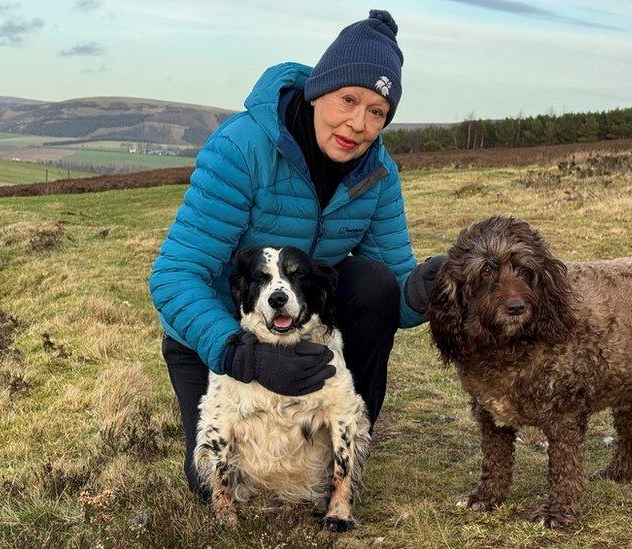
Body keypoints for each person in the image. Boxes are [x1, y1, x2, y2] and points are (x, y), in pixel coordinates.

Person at [149, 9, 446, 498]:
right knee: (214, 485)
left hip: (306, 330)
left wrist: (422, 290)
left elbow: (389, 292)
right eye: (348, 100)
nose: (359, 123)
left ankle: (343, 456)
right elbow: (176, 274)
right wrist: (242, 355)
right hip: (223, 334)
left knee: (373, 282)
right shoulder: (243, 147)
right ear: (317, 91)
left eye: (378, 111)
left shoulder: (377, 172)